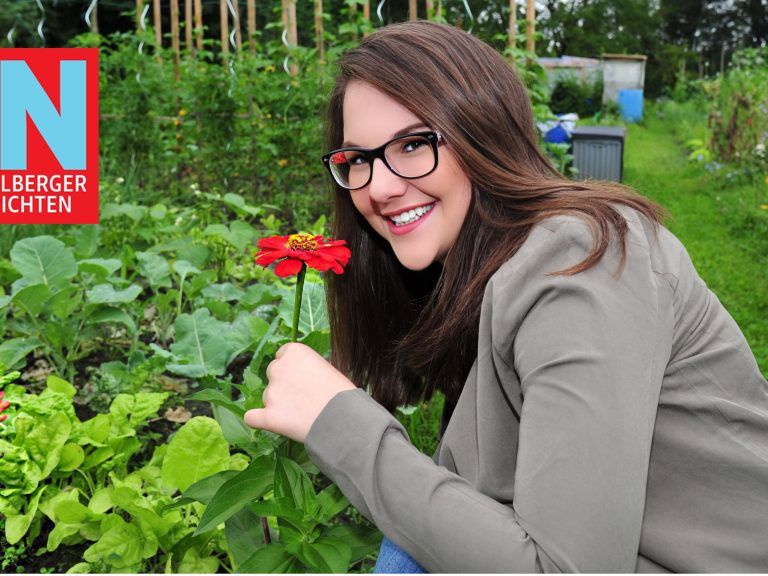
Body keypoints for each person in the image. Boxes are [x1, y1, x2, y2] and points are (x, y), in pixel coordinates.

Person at [244, 21, 768, 573]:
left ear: (483, 133)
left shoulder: (580, 263)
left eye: (415, 144)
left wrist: (340, 423)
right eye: (357, 159)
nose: (378, 187)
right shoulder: (474, 267)